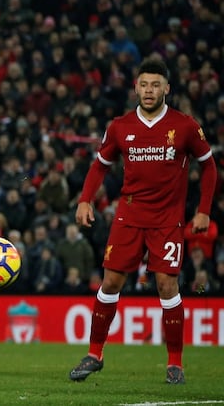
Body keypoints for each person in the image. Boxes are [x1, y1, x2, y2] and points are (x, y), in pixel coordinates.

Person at [69, 58, 217, 385]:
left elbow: (208, 166)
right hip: (129, 215)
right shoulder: (120, 126)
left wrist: (204, 209)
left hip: (167, 219)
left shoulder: (185, 126)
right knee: (110, 282)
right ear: (136, 87)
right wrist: (85, 199)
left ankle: (175, 363)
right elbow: (100, 165)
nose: (149, 90)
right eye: (144, 85)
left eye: (156, 85)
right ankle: (94, 354)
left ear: (167, 89)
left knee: (167, 285)